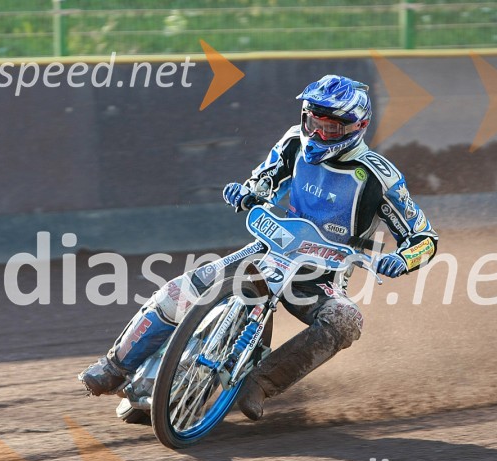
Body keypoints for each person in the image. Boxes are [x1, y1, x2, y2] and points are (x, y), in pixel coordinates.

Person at [79, 74, 438, 421]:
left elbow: (424, 239)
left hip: (320, 278)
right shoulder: (294, 141)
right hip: (270, 250)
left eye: (329, 128)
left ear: (357, 127)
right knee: (180, 289)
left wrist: (401, 259)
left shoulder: (380, 177)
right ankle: (113, 366)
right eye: (313, 121)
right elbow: (264, 180)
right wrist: (248, 193)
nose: (318, 133)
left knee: (346, 320)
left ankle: (261, 383)